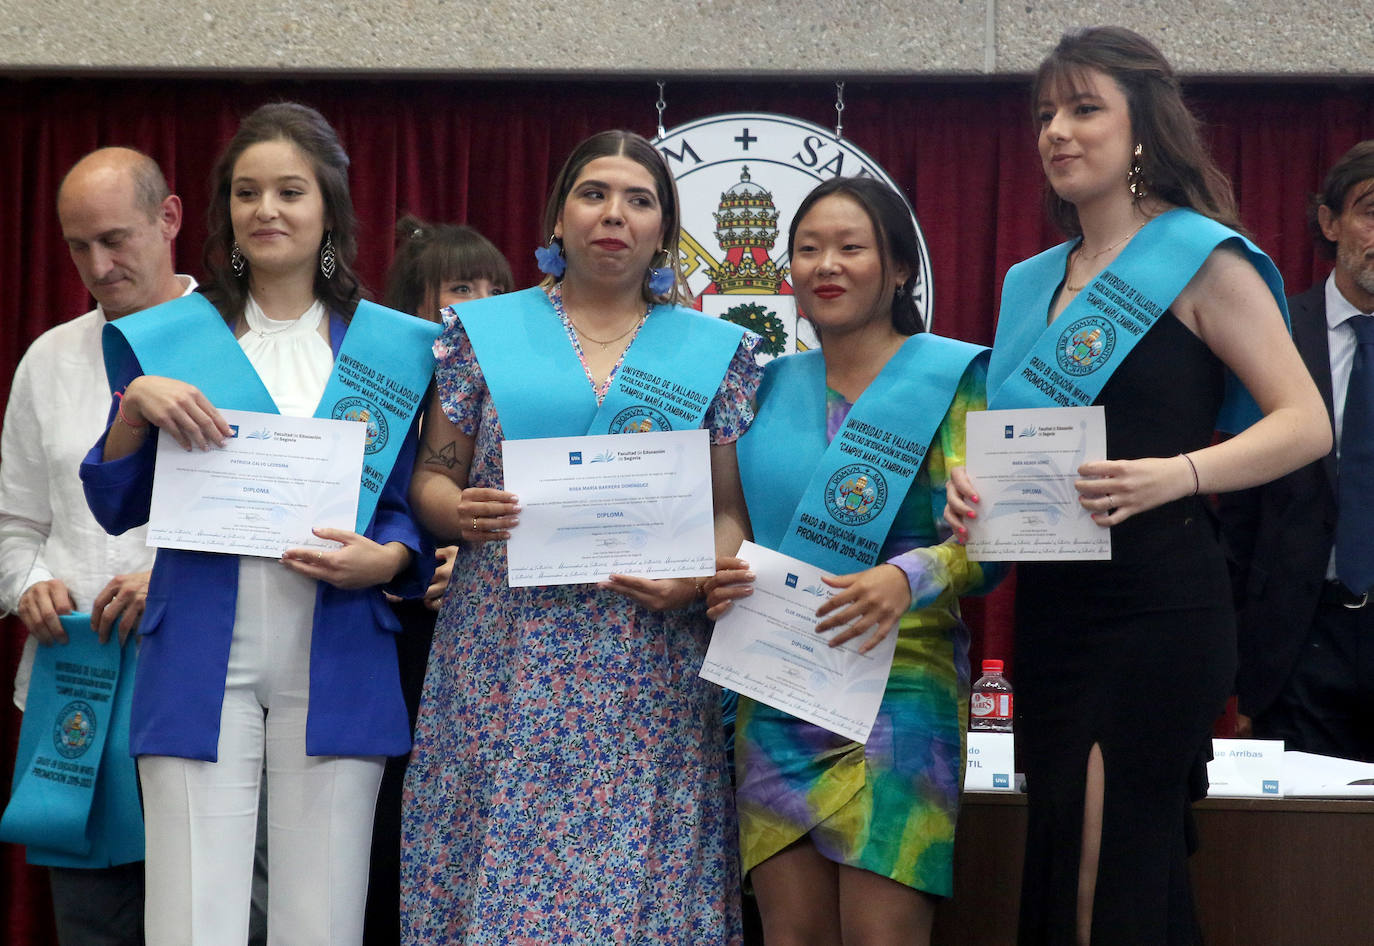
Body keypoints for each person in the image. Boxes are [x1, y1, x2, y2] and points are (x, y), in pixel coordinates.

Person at [944, 27, 1329, 945]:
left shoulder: (1201, 258)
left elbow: (1305, 423)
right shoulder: (1027, 281)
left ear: (1142, 128)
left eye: (1084, 110)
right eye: (1045, 114)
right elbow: (1017, 440)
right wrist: (973, 490)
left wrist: (1178, 474)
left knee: (1105, 861)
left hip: (1160, 605)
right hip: (1055, 610)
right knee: (1065, 848)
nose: (1057, 132)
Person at [78, 102, 432, 946]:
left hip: (340, 638)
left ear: (329, 211)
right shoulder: (165, 337)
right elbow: (116, 500)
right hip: (200, 646)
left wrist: (388, 560)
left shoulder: (389, 345)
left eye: (289, 191)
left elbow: (407, 504)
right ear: (225, 214)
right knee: (190, 918)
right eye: (246, 193)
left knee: (324, 919)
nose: (266, 209)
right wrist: (135, 406)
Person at [402, 129, 759, 944]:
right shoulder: (481, 333)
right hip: (501, 660)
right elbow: (432, 476)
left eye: (640, 200)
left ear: (663, 230)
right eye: (594, 194)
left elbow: (729, 511)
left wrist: (700, 577)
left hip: (648, 667)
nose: (614, 215)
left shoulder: (716, 351)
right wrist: (454, 513)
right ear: (558, 219)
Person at [705, 177, 998, 946]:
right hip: (779, 687)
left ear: (900, 269)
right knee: (792, 934)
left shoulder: (951, 380)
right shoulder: (763, 389)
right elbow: (729, 514)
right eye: (807, 250)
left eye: (849, 247)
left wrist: (908, 576)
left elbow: (988, 545)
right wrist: (719, 566)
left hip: (900, 690)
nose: (825, 265)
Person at [0, 146, 191, 946]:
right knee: (91, 929)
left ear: (170, 219)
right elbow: (16, 524)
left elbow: (282, 523)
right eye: (79, 246)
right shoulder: (48, 358)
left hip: (194, 688)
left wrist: (176, 580)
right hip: (74, 684)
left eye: (116, 239)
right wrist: (27, 584)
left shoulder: (240, 349)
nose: (99, 265)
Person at [363, 214, 512, 946]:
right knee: (398, 822)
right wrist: (421, 550)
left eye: (495, 287)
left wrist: (476, 553)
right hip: (399, 640)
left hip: (487, 631)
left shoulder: (513, 385)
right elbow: (369, 501)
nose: (481, 304)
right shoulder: (383, 389)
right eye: (460, 289)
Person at [1219, 141, 1374, 762]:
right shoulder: (1276, 335)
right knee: (1307, 848)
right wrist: (1240, 677)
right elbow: (1237, 516)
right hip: (1300, 642)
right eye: (1370, 209)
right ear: (1330, 222)